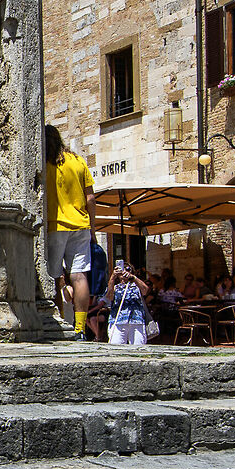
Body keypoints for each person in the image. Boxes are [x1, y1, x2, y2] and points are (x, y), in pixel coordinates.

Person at [43, 124, 95, 338]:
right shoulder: (78, 161)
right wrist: (94, 227)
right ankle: (80, 328)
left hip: (55, 226)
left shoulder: (44, 163)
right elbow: (91, 197)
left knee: (55, 277)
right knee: (79, 275)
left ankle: (58, 323)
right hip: (81, 224)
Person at [107, 261, 151, 347]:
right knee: (115, 347)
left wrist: (133, 278)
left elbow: (145, 291)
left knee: (138, 347)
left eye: (127, 269)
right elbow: (109, 296)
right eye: (122, 269)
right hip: (118, 320)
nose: (124, 271)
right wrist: (112, 277)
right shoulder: (116, 287)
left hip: (136, 320)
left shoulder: (136, 286)